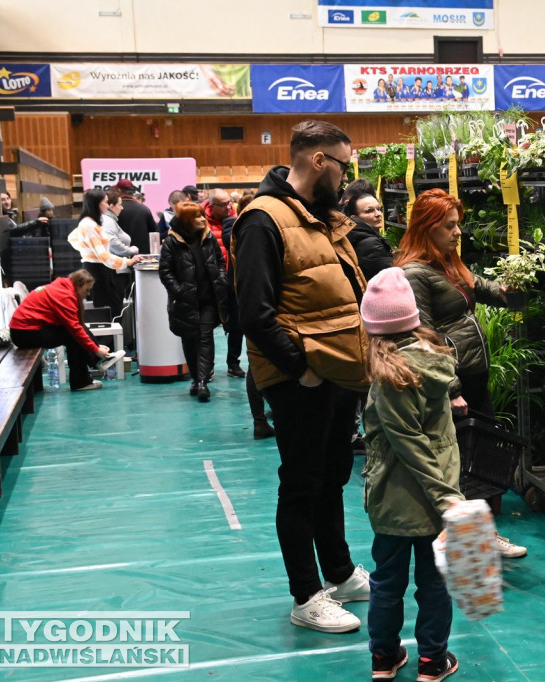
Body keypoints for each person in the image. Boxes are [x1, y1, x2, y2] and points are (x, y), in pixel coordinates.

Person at [231, 120, 370, 634]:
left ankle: (339, 571)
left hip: (336, 372)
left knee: (332, 475)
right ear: (318, 161)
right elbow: (254, 313)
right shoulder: (262, 220)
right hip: (301, 379)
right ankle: (305, 594)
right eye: (343, 164)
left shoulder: (318, 215)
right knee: (301, 484)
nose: (346, 175)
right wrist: (302, 370)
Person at [394, 188, 527, 558]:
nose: (458, 233)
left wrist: (513, 286)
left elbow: (479, 288)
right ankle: (465, 537)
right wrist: (451, 389)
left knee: (478, 457)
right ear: (428, 227)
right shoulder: (413, 273)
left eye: (458, 225)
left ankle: (480, 533)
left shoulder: (447, 263)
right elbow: (422, 333)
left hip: (472, 374)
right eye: (450, 226)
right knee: (457, 462)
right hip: (452, 382)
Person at [359, 267, 462, 682]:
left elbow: (408, 444)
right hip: (439, 488)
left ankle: (385, 657)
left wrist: (443, 497)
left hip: (398, 497)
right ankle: (432, 660)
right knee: (434, 583)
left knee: (387, 581)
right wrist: (447, 495)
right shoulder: (432, 361)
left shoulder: (390, 377)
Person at [9, 269, 125, 392]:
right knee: (73, 336)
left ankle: (98, 362)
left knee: (76, 331)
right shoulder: (65, 296)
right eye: (87, 290)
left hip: (26, 329)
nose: (89, 294)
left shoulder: (63, 286)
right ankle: (82, 381)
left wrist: (95, 345)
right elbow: (75, 329)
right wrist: (95, 350)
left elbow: (78, 325)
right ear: (79, 286)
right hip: (24, 334)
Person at [159, 201, 229, 403]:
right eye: (197, 216)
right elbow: (165, 271)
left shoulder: (208, 237)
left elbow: (220, 261)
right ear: (187, 220)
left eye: (202, 215)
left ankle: (202, 382)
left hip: (209, 299)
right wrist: (179, 291)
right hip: (185, 301)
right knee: (189, 339)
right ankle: (196, 378)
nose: (202, 219)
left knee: (206, 337)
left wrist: (222, 280)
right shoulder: (172, 241)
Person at [222, 193, 274, 439]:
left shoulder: (245, 226)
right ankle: (260, 419)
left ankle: (262, 417)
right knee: (256, 361)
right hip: (256, 302)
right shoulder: (243, 227)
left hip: (255, 301)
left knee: (258, 362)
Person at [68, 189, 142, 318]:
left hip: (98, 269)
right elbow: (104, 257)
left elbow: (72, 238)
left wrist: (87, 251)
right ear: (97, 204)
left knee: (110, 310)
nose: (108, 206)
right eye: (106, 202)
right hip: (99, 271)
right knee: (107, 313)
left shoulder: (89, 223)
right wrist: (128, 261)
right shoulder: (89, 225)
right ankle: (107, 339)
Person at [203, 188, 242, 377]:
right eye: (223, 204)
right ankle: (207, 366)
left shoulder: (238, 220)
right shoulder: (201, 223)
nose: (229, 207)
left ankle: (233, 363)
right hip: (211, 283)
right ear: (212, 207)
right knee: (208, 325)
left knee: (237, 324)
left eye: (230, 203)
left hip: (233, 280)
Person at [340, 180, 393, 282]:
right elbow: (389, 279)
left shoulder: (355, 234)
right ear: (355, 217)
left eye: (379, 209)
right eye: (369, 211)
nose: (378, 214)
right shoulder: (370, 244)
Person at [114, 179, 157, 254]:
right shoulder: (145, 209)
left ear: (119, 191)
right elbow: (154, 233)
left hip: (120, 255)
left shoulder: (115, 209)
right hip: (142, 257)